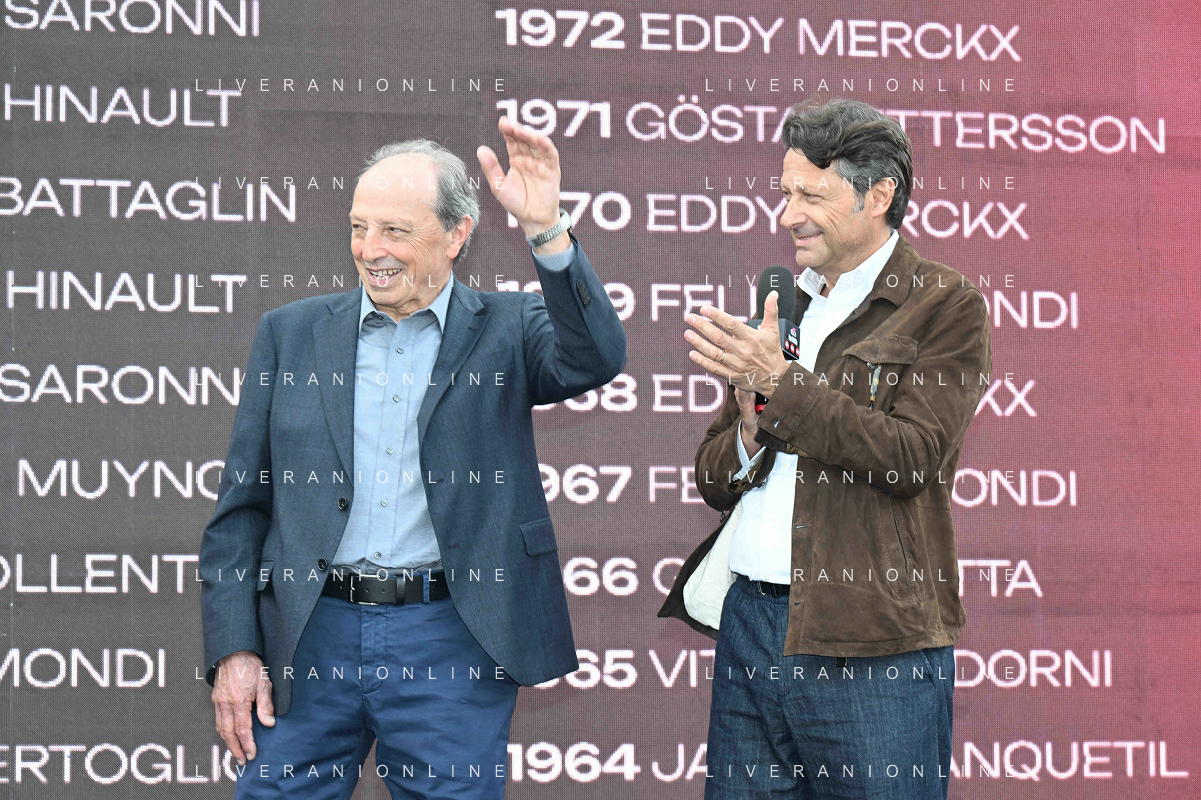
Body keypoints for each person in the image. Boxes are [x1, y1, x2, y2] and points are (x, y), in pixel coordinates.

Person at [199, 117, 626, 799]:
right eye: (358, 227)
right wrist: (235, 647)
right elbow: (242, 509)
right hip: (307, 635)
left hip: (449, 637)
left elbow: (595, 357)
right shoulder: (290, 334)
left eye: (395, 230)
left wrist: (547, 232)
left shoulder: (508, 329)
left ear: (456, 235)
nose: (371, 249)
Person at [659, 98, 992, 799]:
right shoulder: (786, 303)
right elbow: (714, 478)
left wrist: (782, 387)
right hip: (751, 627)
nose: (789, 215)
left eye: (811, 195)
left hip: (871, 643)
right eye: (785, 194)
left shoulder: (944, 303)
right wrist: (750, 426)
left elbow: (912, 456)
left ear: (879, 195)